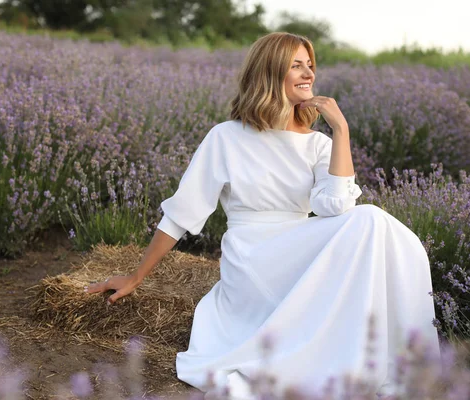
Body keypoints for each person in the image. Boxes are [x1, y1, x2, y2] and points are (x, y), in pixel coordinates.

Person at [85, 32, 440, 399]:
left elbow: (336, 208)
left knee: (376, 224)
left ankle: (399, 361)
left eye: (310, 65)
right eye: (296, 65)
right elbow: (181, 214)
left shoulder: (319, 143)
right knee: (373, 220)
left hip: (300, 254)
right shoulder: (226, 137)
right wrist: (136, 276)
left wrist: (341, 130)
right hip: (253, 257)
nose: (309, 74)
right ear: (271, 72)